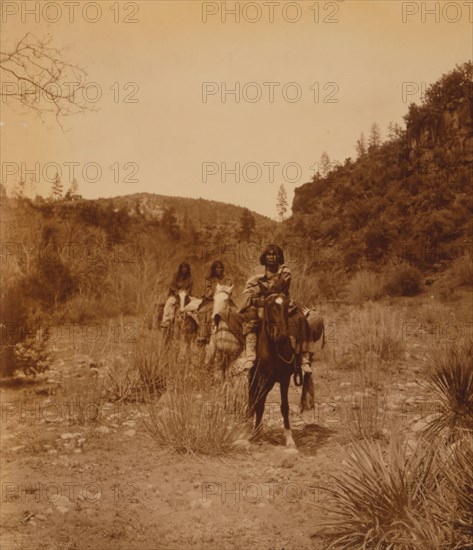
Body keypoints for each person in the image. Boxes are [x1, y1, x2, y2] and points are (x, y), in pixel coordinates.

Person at [240, 244, 312, 372]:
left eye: (274, 254)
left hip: (280, 302)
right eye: (269, 254)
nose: (271, 257)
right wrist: (254, 299)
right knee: (251, 318)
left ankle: (303, 357)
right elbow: (248, 290)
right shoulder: (258, 272)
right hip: (261, 304)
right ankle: (250, 355)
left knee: (300, 318)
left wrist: (264, 292)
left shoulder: (285, 271)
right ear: (264, 257)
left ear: (279, 257)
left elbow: (279, 287)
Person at [197, 260, 234, 344]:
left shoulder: (227, 279)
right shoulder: (209, 279)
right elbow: (207, 290)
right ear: (214, 269)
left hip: (224, 299)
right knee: (203, 311)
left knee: (236, 312)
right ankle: (203, 335)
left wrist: (224, 292)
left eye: (221, 268)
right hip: (211, 300)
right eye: (217, 268)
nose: (219, 270)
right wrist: (214, 292)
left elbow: (230, 290)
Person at [161, 262, 193, 328]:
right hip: (175, 294)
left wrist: (185, 293)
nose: (184, 269)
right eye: (182, 267)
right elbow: (172, 286)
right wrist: (176, 292)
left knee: (189, 307)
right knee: (169, 303)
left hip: (185, 295)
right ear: (180, 268)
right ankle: (166, 321)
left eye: (185, 267)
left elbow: (189, 289)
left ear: (187, 269)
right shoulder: (176, 276)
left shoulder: (190, 278)